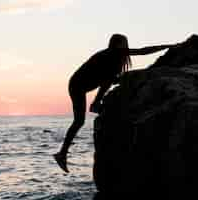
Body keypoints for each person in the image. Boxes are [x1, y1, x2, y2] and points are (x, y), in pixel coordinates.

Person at [54, 34, 175, 173]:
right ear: (117, 44)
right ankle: (62, 153)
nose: (123, 46)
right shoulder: (112, 53)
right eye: (122, 43)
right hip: (77, 84)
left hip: (80, 82)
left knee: (80, 119)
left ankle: (62, 153)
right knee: (79, 121)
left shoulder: (113, 58)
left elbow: (110, 76)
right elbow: (143, 51)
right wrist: (168, 46)